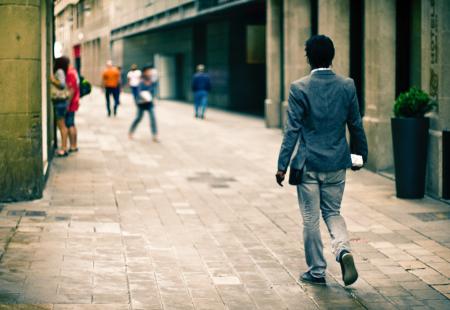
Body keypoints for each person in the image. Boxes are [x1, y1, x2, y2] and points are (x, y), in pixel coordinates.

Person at [275, 35, 368, 286]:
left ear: (308, 57)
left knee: (310, 219)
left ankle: (317, 271)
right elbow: (355, 125)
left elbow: (292, 131)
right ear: (332, 56)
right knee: (333, 212)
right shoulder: (347, 85)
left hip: (309, 166)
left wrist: (282, 166)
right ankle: (343, 251)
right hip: (337, 163)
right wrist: (359, 158)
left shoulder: (299, 87)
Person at [128, 65, 159, 142]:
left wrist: (153, 97)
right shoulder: (141, 81)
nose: (150, 72)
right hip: (141, 103)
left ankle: (154, 135)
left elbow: (154, 91)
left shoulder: (152, 81)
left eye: (151, 71)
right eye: (149, 71)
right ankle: (131, 132)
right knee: (138, 118)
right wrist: (143, 97)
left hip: (149, 103)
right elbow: (138, 92)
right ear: (145, 72)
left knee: (153, 118)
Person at [51, 56, 71, 157]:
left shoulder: (59, 71)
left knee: (62, 126)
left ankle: (63, 148)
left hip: (59, 102)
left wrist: (52, 80)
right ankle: (64, 147)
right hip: (61, 102)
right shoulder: (61, 71)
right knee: (62, 126)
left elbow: (62, 84)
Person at [65, 65, 80, 153]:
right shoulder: (73, 71)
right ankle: (74, 145)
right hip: (74, 101)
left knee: (70, 124)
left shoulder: (69, 73)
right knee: (72, 124)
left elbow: (71, 90)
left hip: (71, 102)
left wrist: (67, 104)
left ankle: (73, 146)